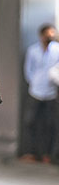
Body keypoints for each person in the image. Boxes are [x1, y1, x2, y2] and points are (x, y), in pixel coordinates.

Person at [22, 23, 59, 162]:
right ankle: (31, 152)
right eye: (48, 34)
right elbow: (28, 70)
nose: (50, 37)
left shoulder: (57, 50)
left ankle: (47, 155)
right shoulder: (33, 50)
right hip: (35, 91)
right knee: (30, 122)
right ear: (41, 36)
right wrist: (34, 82)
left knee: (49, 124)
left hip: (51, 93)